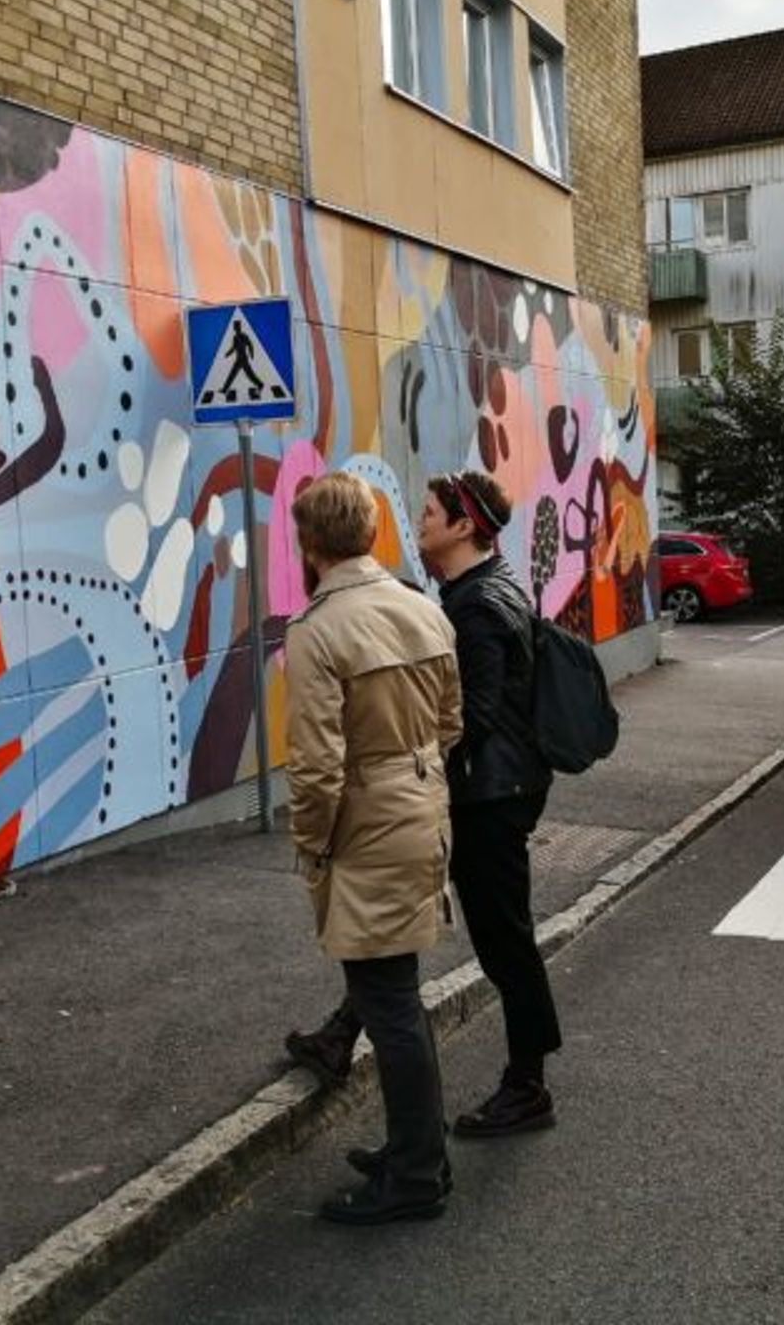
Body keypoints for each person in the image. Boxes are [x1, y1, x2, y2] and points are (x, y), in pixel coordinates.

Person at [284, 472, 463, 1225]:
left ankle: (417, 1175)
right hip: (422, 805)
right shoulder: (421, 608)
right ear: (368, 532)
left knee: (389, 1004)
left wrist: (312, 842)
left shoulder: (319, 631)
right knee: (396, 994)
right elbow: (451, 720)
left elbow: (317, 766)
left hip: (365, 821)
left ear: (309, 542)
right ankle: (415, 1153)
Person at [417, 468, 562, 1138]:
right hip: (500, 785)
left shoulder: (473, 606)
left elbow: (471, 716)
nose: (419, 523)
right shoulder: (488, 585)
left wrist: (411, 750)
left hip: (490, 794)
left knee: (505, 942)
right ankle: (340, 1033)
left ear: (463, 525)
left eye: (429, 513)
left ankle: (527, 1085)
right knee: (402, 906)